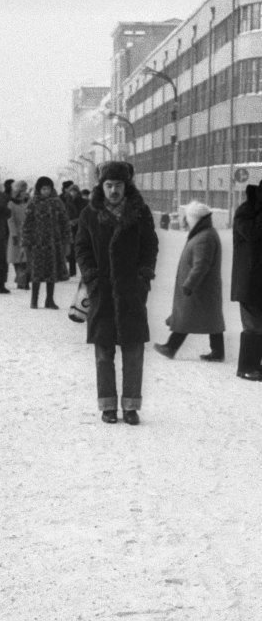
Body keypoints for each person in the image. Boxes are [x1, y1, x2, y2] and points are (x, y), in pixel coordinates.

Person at [75, 160, 158, 425]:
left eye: (118, 185)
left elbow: (150, 246)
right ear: (102, 185)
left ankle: (131, 406)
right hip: (103, 291)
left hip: (131, 291)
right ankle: (108, 405)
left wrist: (143, 277)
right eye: (109, 185)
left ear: (126, 185)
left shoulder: (140, 212)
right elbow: (82, 248)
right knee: (103, 353)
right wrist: (91, 277)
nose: (113, 190)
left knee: (133, 351)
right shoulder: (90, 214)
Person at [154, 200, 225, 362]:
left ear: (195, 219)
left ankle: (171, 347)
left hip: (198, 288)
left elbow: (201, 265)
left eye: (187, 218)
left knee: (186, 316)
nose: (185, 221)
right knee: (211, 319)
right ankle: (218, 352)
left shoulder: (204, 237)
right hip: (203, 288)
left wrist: (189, 284)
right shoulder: (205, 233)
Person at [22, 176, 71, 309]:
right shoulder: (33, 203)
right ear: (39, 189)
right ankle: (34, 300)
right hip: (37, 243)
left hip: (54, 242)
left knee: (52, 271)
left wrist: (67, 239)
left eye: (48, 188)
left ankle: (49, 300)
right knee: (36, 272)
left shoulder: (57, 203)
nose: (46, 191)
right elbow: (27, 224)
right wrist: (26, 241)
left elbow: (64, 222)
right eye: (43, 189)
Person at [231, 180, 262, 381]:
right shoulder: (247, 211)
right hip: (249, 280)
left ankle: (255, 365)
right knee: (253, 326)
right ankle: (247, 367)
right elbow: (253, 235)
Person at [7, 180, 30, 289]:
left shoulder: (27, 203)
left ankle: (23, 280)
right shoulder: (11, 204)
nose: (24, 193)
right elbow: (10, 220)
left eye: (25, 190)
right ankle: (20, 278)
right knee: (17, 259)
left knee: (25, 259)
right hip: (16, 235)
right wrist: (14, 234)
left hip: (27, 233)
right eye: (22, 190)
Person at [63, 184, 87, 277]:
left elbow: (85, 213)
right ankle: (72, 271)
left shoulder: (83, 202)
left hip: (80, 227)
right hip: (70, 229)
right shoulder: (66, 202)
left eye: (75, 191)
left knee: (81, 249)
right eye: (71, 191)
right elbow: (63, 214)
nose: (73, 193)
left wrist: (76, 221)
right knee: (71, 251)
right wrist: (68, 222)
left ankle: (83, 269)